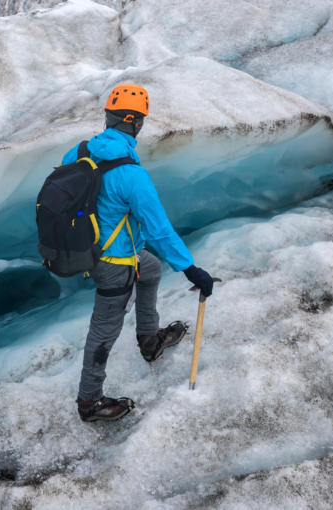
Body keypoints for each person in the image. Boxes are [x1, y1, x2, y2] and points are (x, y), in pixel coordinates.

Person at [65, 84, 214, 422]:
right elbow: (159, 230)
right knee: (104, 331)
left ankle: (150, 339)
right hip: (113, 264)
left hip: (90, 250)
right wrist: (191, 269)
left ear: (108, 117)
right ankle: (89, 402)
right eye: (140, 121)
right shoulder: (132, 176)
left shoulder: (78, 152)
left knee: (149, 268)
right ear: (133, 123)